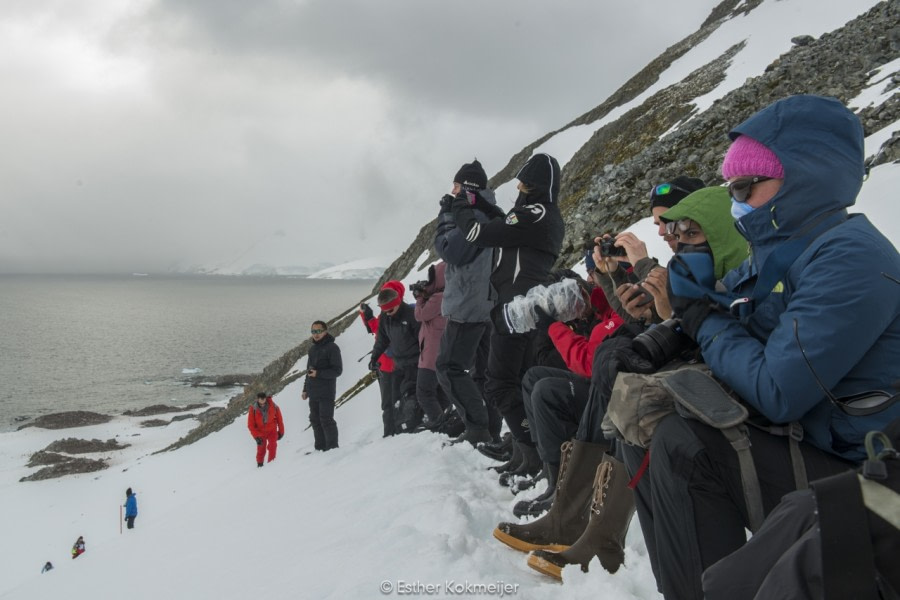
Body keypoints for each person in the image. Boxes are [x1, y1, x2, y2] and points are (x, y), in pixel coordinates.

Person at [633, 95, 900, 599]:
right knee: (642, 411)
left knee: (685, 446)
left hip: (858, 463)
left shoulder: (850, 258)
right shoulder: (787, 249)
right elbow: (731, 315)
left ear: (805, 175)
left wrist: (703, 322)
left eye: (744, 186)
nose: (735, 202)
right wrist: (684, 310)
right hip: (814, 436)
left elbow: (779, 389)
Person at [505, 186, 749, 581]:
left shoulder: (715, 265)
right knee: (605, 375)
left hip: (713, 398)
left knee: (621, 387)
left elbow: (695, 324)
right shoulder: (687, 265)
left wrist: (643, 280)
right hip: (690, 380)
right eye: (663, 226)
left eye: (679, 226)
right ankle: (571, 514)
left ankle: (584, 525)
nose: (668, 233)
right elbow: (658, 319)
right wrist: (620, 285)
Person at [451, 153, 565, 474]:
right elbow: (506, 225)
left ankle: (530, 452)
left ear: (537, 186)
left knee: (499, 383)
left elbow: (478, 234)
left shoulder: (535, 213)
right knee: (520, 381)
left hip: (516, 309)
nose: (519, 187)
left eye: (524, 183)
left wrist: (459, 206)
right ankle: (523, 449)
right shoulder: (541, 213)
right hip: (522, 306)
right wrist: (483, 205)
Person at [434, 159, 503, 445]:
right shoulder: (486, 211)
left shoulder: (473, 215)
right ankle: (490, 428)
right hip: (483, 304)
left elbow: (450, 251)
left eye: (457, 185)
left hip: (468, 306)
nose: (452, 189)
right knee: (480, 372)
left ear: (467, 186)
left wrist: (445, 215)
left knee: (448, 367)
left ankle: (477, 427)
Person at [369, 281, 422, 433]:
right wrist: (374, 358)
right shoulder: (386, 317)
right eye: (385, 311)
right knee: (395, 399)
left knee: (410, 396)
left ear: (398, 302)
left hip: (415, 363)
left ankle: (412, 428)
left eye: (390, 310)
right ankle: (398, 431)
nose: (388, 313)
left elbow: (423, 340)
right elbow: (382, 340)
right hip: (398, 364)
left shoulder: (412, 315)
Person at [412, 262, 452, 428]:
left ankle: (439, 423)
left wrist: (420, 296)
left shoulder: (438, 298)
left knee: (424, 393)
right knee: (442, 392)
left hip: (430, 355)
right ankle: (447, 421)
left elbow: (420, 314)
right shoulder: (452, 294)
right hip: (442, 351)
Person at [359, 303, 398, 437]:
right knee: (392, 401)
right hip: (388, 365)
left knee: (390, 402)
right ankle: (394, 431)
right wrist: (367, 316)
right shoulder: (389, 315)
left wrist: (367, 316)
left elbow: (376, 329)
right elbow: (375, 327)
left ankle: (392, 432)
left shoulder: (391, 317)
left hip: (390, 366)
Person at [303, 320, 342, 450]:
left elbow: (337, 371)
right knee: (315, 420)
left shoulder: (332, 347)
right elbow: (308, 371)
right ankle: (319, 448)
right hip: (313, 392)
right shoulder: (312, 349)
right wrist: (305, 389)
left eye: (319, 331)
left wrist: (318, 373)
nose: (316, 334)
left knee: (326, 420)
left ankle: (332, 448)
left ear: (325, 331)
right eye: (313, 331)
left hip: (326, 392)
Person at [247, 392, 285, 466]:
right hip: (260, 432)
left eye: (264, 398)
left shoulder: (273, 406)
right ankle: (260, 465)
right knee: (261, 449)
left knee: (272, 446)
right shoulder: (253, 409)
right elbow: (250, 425)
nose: (262, 400)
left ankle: (271, 464)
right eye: (261, 399)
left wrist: (281, 431)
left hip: (272, 430)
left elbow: (279, 419)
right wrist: (256, 437)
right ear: (257, 399)